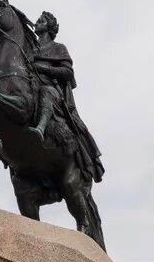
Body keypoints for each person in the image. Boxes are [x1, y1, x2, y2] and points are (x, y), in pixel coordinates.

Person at [28, 11, 105, 183]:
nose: (36, 22)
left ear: (49, 27)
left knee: (46, 92)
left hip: (53, 93)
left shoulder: (58, 48)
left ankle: (40, 128)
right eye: (38, 20)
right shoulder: (29, 48)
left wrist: (45, 69)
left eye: (41, 21)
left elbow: (68, 73)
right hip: (30, 89)